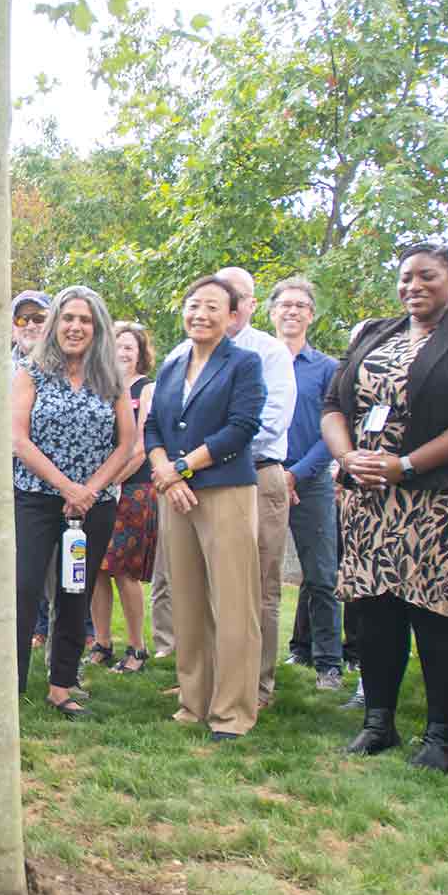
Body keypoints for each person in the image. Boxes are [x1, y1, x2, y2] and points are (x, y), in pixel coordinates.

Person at [325, 242, 448, 771]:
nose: (413, 286)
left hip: (442, 501)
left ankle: (439, 735)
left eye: (427, 276)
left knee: (437, 617)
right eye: (406, 277)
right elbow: (335, 404)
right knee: (375, 612)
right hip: (370, 499)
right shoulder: (373, 333)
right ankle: (378, 722)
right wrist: (349, 457)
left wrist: (404, 466)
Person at [146, 275, 266, 740]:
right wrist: (166, 473)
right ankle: (192, 702)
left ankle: (233, 712)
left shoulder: (244, 364)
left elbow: (241, 428)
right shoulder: (173, 366)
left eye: (213, 307)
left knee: (235, 604)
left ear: (233, 315)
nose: (201, 314)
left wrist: (181, 468)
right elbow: (154, 426)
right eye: (194, 304)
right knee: (188, 602)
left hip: (224, 492)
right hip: (176, 496)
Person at [12, 286, 138, 716]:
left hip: (93, 507)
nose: (75, 327)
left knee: (74, 591)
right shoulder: (31, 372)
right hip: (35, 498)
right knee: (23, 588)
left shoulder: (112, 379)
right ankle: (7, 684)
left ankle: (62, 685)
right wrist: (66, 487)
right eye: (68, 318)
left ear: (97, 328)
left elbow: (126, 444)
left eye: (85, 320)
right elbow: (17, 438)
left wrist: (89, 491)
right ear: (55, 325)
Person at [215, 268, 301, 707]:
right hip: (204, 481)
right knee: (211, 584)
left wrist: (209, 448)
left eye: (239, 297)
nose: (228, 304)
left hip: (256, 474)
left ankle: (257, 684)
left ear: (250, 305)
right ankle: (211, 679)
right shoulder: (189, 352)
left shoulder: (269, 353)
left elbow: (270, 423)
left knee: (260, 586)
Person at [268, 277, 342, 690]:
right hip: (263, 476)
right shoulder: (256, 359)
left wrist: (295, 474)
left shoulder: (327, 369)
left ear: (311, 315)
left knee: (321, 575)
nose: (292, 311)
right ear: (273, 311)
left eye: (301, 306)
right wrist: (275, 472)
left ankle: (329, 662)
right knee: (259, 573)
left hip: (310, 481)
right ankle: (259, 660)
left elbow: (332, 429)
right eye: (285, 305)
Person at [95, 321, 159, 673]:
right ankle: (102, 643)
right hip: (99, 489)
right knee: (97, 569)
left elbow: (140, 447)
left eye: (130, 347)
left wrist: (111, 482)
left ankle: (137, 648)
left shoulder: (146, 389)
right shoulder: (100, 386)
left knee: (124, 571)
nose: (123, 352)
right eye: (117, 345)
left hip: (132, 489)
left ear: (140, 353)